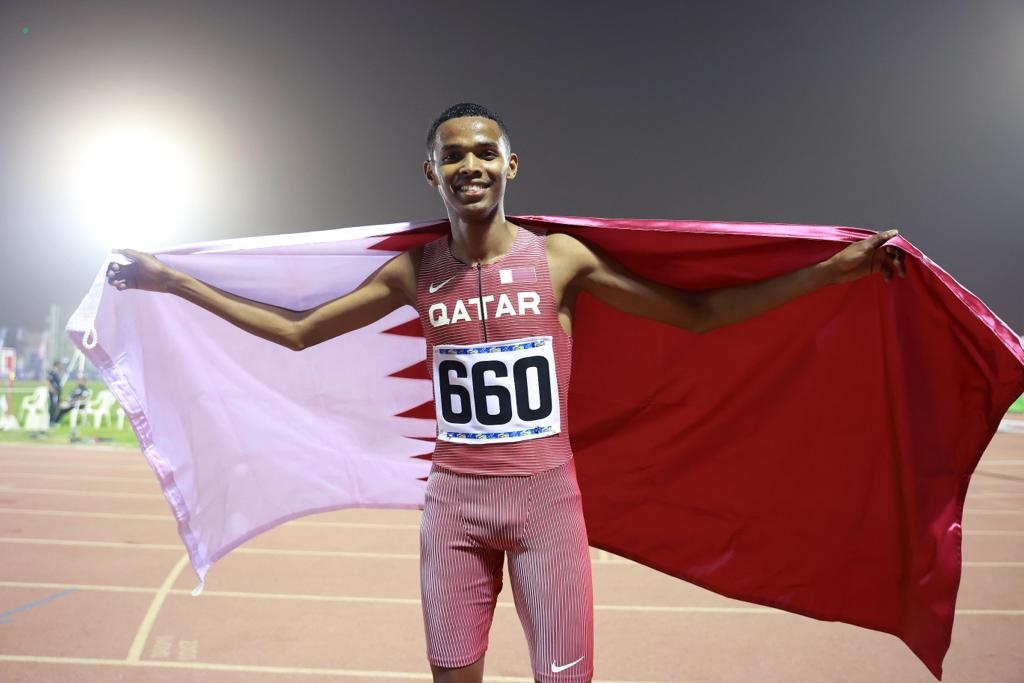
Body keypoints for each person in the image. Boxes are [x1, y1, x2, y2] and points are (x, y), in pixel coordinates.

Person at [105, 102, 905, 683]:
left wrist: (836, 270)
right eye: (453, 155)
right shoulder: (416, 273)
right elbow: (297, 329)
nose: (471, 165)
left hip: (546, 504)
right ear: (432, 173)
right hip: (454, 507)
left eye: (485, 152)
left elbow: (698, 314)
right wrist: (172, 280)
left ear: (510, 165)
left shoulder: (559, 260)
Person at [46, 360, 63, 426]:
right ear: (57, 365)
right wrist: (52, 389)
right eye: (60, 365)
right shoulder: (52, 372)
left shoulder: (56, 372)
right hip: (54, 393)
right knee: (53, 406)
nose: (61, 367)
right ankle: (51, 421)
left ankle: (53, 421)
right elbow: (47, 380)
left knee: (56, 406)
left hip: (57, 392)